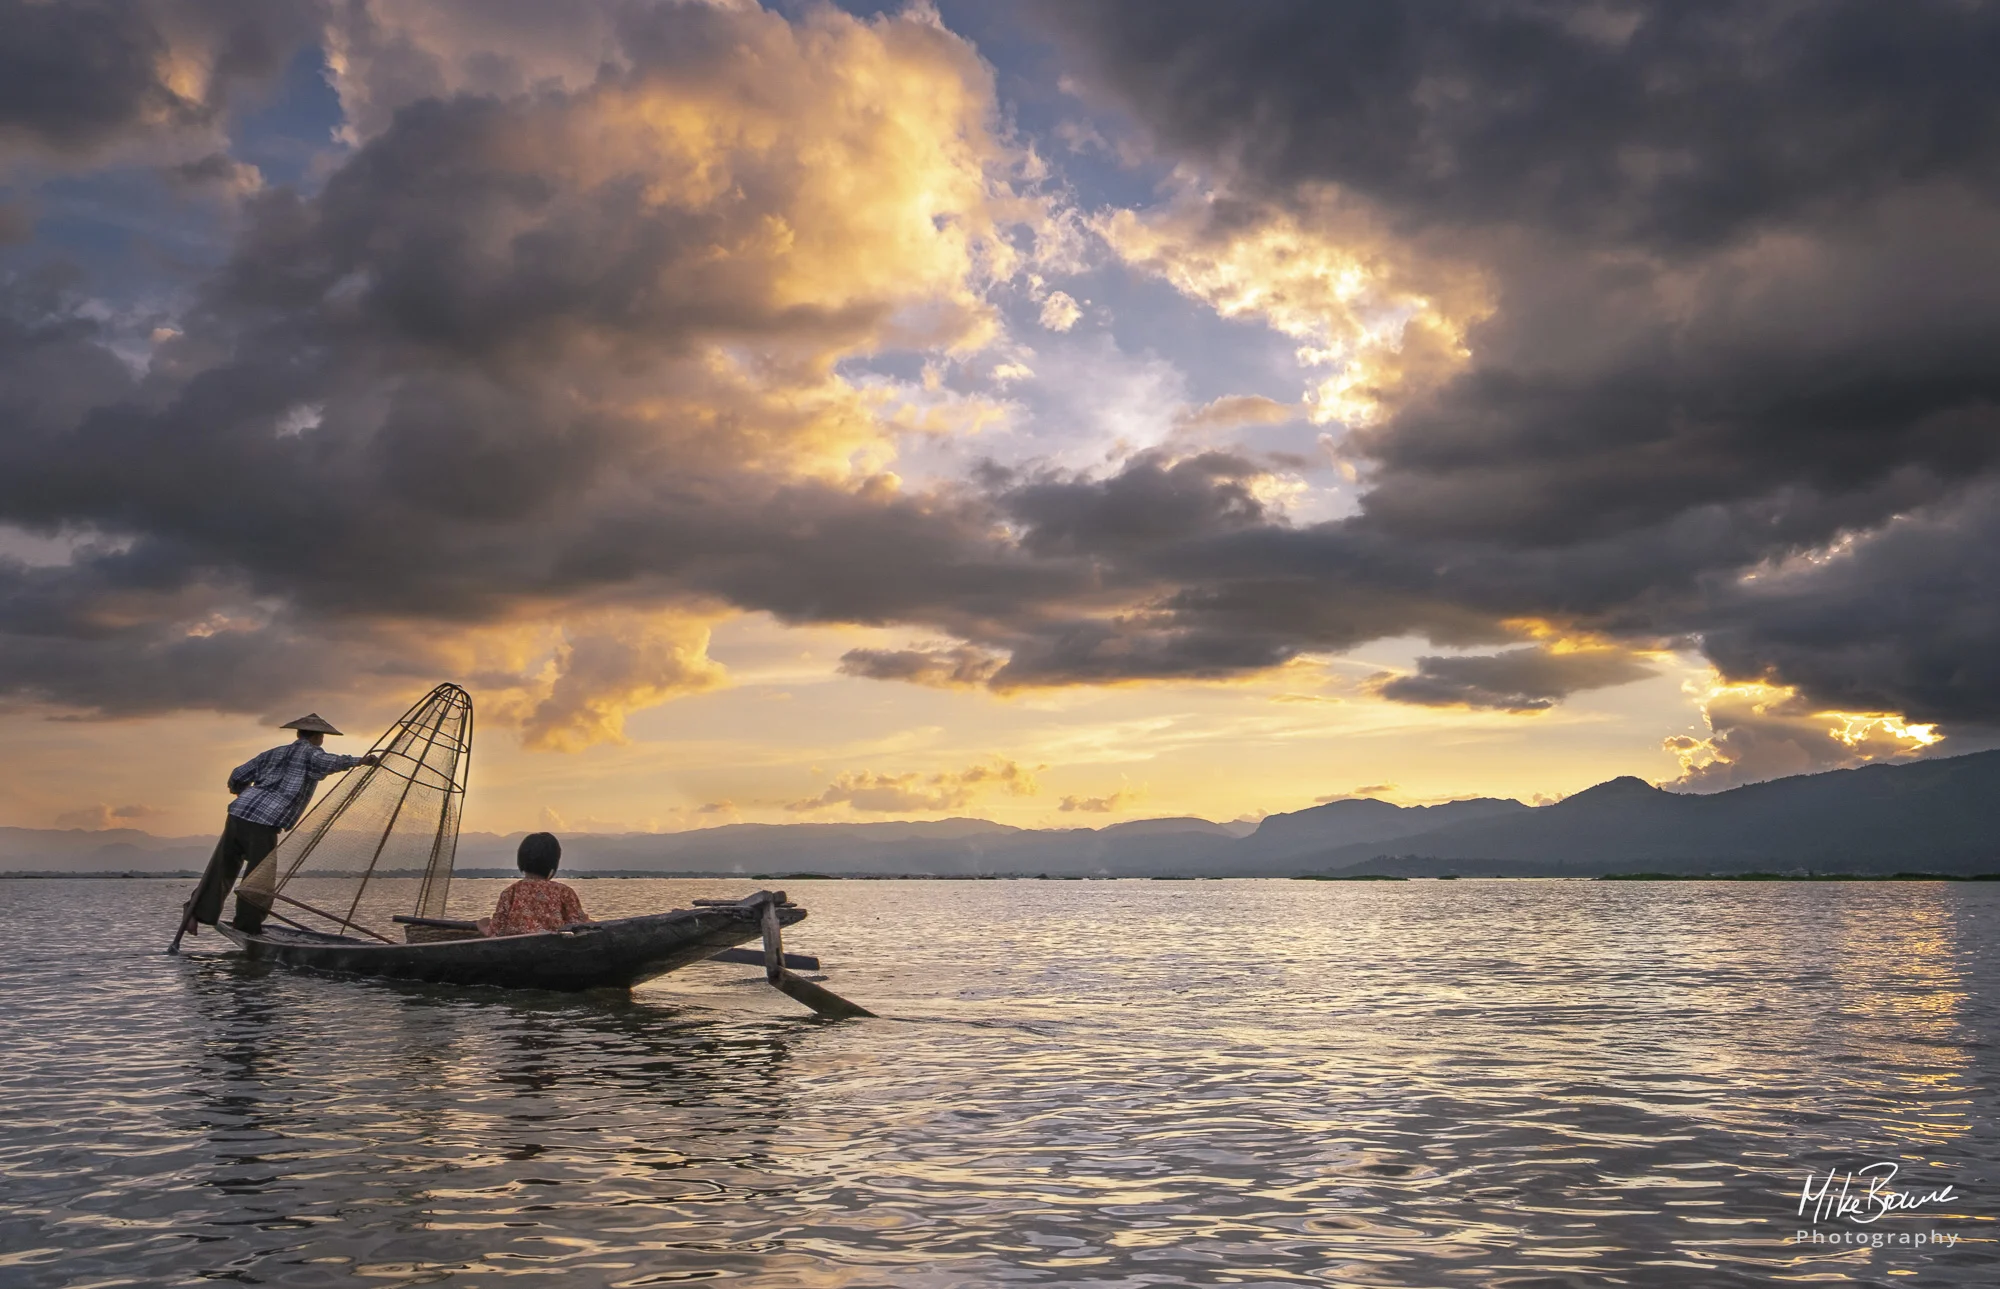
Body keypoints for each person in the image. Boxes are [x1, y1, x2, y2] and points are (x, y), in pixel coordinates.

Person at [180, 713, 379, 939]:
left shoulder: (275, 752)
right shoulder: (311, 753)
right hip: (264, 822)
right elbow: (330, 762)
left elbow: (238, 775)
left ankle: (195, 910)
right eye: (321, 737)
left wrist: (242, 792)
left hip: (239, 813)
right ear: (318, 737)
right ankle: (246, 925)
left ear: (298, 733)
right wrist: (361, 761)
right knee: (259, 877)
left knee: (223, 868)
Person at [479, 832, 592, 936]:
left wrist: (482, 926)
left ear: (520, 863)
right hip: (553, 949)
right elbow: (580, 926)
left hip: (517, 950)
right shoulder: (564, 892)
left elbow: (496, 931)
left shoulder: (510, 892)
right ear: (553, 867)